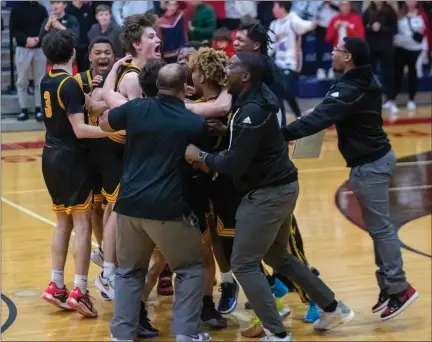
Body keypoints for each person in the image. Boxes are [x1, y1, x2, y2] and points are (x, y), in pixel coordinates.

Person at [186, 51, 354, 341]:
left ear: (247, 76)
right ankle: (332, 306)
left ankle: (277, 333)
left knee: (243, 262)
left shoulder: (250, 110)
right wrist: (230, 132)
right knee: (278, 255)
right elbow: (256, 143)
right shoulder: (259, 97)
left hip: (268, 193)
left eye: (234, 65)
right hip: (283, 186)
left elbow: (234, 164)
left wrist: (200, 155)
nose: (227, 69)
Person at [281, 36, 419, 321]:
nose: (332, 52)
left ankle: (400, 287)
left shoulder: (353, 86)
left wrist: (279, 134)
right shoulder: (357, 83)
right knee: (379, 229)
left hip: (371, 165)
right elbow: (330, 111)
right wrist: (319, 113)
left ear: (348, 58)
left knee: (381, 229)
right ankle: (389, 287)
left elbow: (322, 117)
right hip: (370, 162)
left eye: (337, 49)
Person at [99, 62, 210, 342]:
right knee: (190, 268)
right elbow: (201, 163)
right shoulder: (193, 122)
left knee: (128, 273)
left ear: (158, 84)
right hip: (168, 209)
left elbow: (104, 121)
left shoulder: (136, 109)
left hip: (128, 208)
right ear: (184, 87)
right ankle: (186, 333)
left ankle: (121, 335)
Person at [39, 29, 108, 318]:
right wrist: (113, 131)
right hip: (70, 158)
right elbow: (80, 129)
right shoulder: (68, 83)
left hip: (50, 156)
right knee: (82, 224)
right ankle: (80, 289)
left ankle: (56, 284)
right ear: (74, 54)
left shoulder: (47, 79)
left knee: (62, 222)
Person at [73, 36, 115, 268]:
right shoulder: (78, 81)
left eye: (107, 52)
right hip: (88, 154)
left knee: (114, 206)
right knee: (95, 209)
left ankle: (111, 255)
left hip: (113, 152)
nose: (103, 56)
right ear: (89, 56)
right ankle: (103, 250)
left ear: (114, 55)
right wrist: (90, 93)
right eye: (97, 52)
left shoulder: (122, 80)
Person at [10, 1, 48, 122]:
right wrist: (26, 39)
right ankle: (24, 109)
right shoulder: (16, 9)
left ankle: (39, 109)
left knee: (40, 80)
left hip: (39, 49)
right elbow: (13, 29)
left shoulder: (42, 9)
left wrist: (38, 39)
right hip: (23, 48)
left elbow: (45, 28)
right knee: (22, 80)